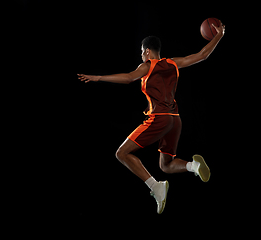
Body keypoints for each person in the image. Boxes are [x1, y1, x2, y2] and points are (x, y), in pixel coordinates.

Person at [78, 21, 225, 214]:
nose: (141, 55)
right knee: (166, 165)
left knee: (121, 154)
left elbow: (129, 77)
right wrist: (219, 34)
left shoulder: (147, 66)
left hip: (160, 118)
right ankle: (194, 166)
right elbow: (202, 55)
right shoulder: (173, 63)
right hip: (175, 120)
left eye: (141, 52)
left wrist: (99, 78)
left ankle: (156, 187)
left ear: (147, 51)